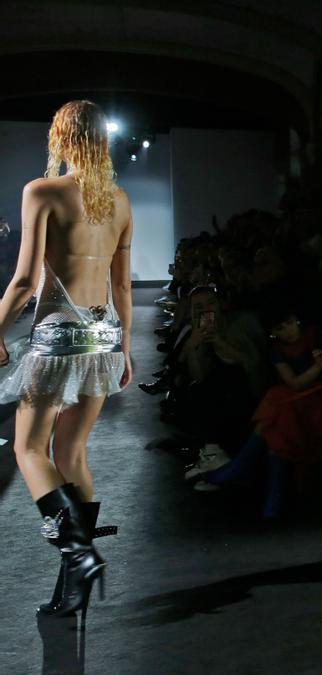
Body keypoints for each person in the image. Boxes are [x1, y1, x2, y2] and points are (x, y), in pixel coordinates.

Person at [0, 100, 131, 618]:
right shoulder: (118, 201)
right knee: (72, 455)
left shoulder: (43, 191)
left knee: (30, 451)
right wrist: (126, 348)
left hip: (58, 337)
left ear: (61, 138)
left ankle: (79, 552)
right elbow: (122, 284)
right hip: (103, 337)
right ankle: (73, 585)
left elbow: (26, 280)